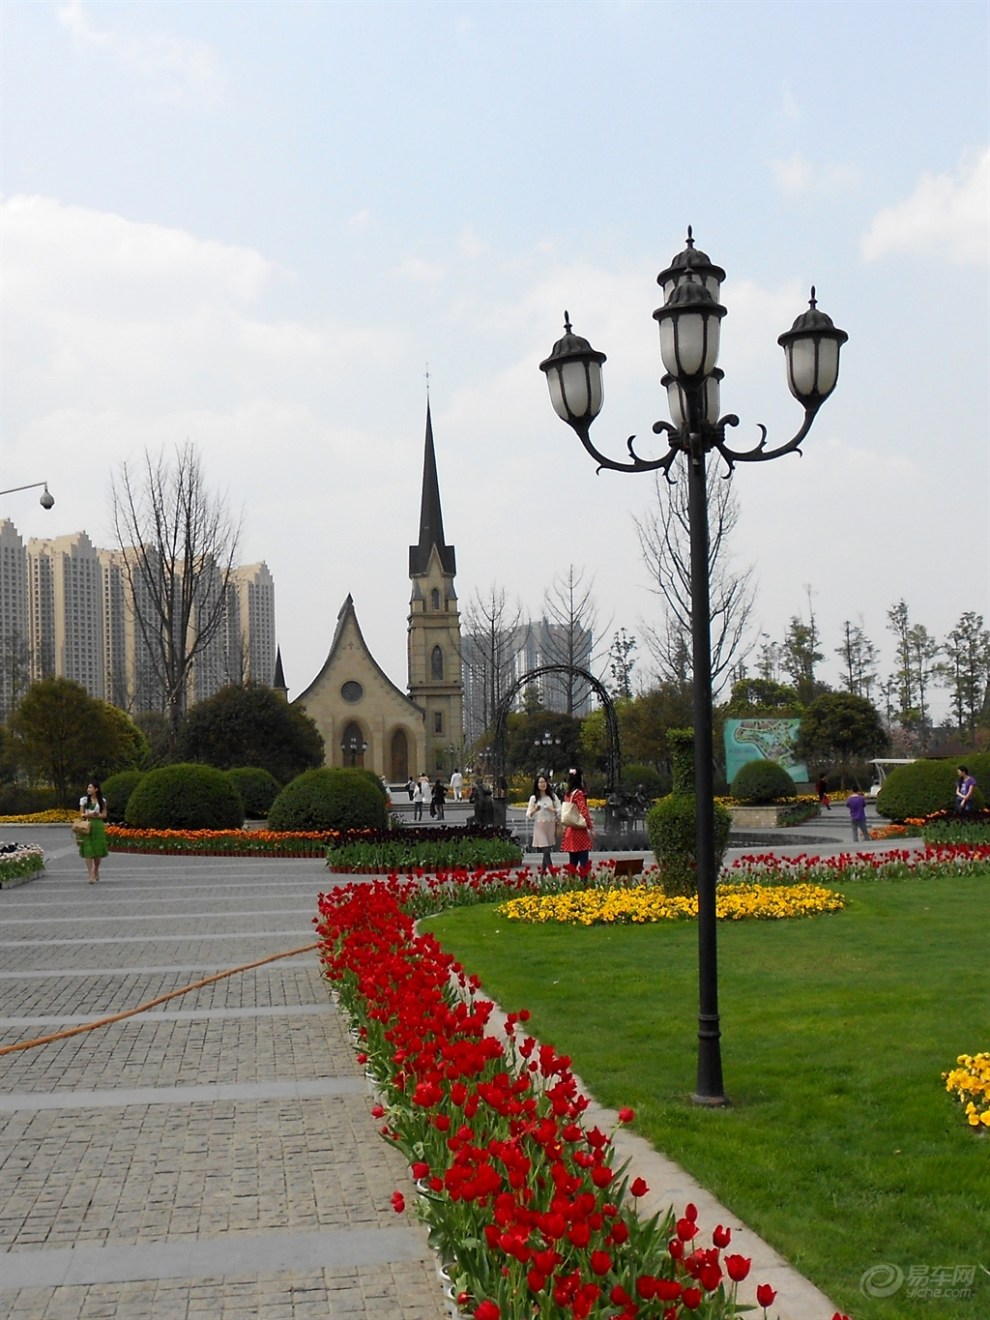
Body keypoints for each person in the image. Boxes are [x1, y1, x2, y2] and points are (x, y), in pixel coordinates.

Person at [561, 767, 594, 872]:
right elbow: (584, 811)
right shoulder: (579, 793)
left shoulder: (568, 794)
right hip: (579, 831)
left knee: (572, 863)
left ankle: (572, 885)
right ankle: (583, 885)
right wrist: (590, 826)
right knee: (584, 863)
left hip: (570, 831)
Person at [526, 774, 560, 876]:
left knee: (547, 851)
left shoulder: (552, 797)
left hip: (550, 825)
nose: (542, 784)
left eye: (544, 782)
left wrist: (552, 809)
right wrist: (535, 810)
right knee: (546, 850)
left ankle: (542, 875)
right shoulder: (534, 798)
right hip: (540, 826)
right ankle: (553, 875)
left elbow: (560, 810)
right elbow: (528, 815)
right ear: (537, 784)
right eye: (540, 782)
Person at [78, 779, 109, 883]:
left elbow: (104, 815)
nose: (88, 789)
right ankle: (90, 874)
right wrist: (87, 815)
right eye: (88, 787)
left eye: (90, 787)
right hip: (87, 826)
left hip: (98, 826)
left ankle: (96, 869)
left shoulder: (102, 801)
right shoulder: (84, 800)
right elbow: (81, 814)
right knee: (88, 850)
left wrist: (97, 815)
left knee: (97, 850)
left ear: (96, 789)